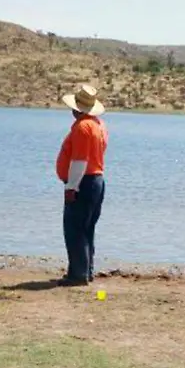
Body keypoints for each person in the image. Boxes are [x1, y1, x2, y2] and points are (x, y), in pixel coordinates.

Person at [55, 84, 109, 286]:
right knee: (86, 229)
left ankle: (78, 275)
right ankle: (85, 271)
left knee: (75, 228)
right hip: (96, 181)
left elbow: (79, 161)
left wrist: (71, 187)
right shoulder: (98, 125)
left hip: (84, 181)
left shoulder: (82, 127)